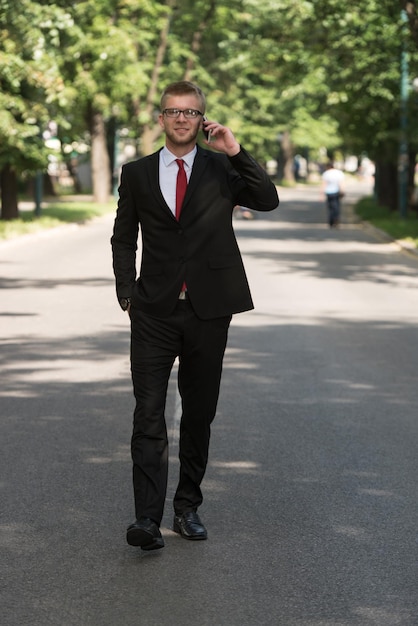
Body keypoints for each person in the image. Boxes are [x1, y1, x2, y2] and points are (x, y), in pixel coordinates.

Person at [111, 81, 279, 551]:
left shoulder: (222, 167)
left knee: (198, 413)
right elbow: (124, 237)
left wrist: (236, 149)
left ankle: (186, 508)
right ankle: (146, 518)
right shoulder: (137, 173)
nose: (181, 118)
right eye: (172, 111)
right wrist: (127, 293)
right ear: (161, 119)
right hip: (154, 311)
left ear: (202, 119)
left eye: (190, 112)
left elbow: (267, 200)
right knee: (147, 414)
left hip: (210, 309)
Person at [321, 161, 345, 228]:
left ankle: (331, 221)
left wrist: (321, 194)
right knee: (337, 206)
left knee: (330, 207)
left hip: (329, 192)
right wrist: (342, 191)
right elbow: (341, 183)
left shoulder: (326, 173)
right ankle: (336, 219)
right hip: (337, 192)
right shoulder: (339, 173)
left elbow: (324, 184)